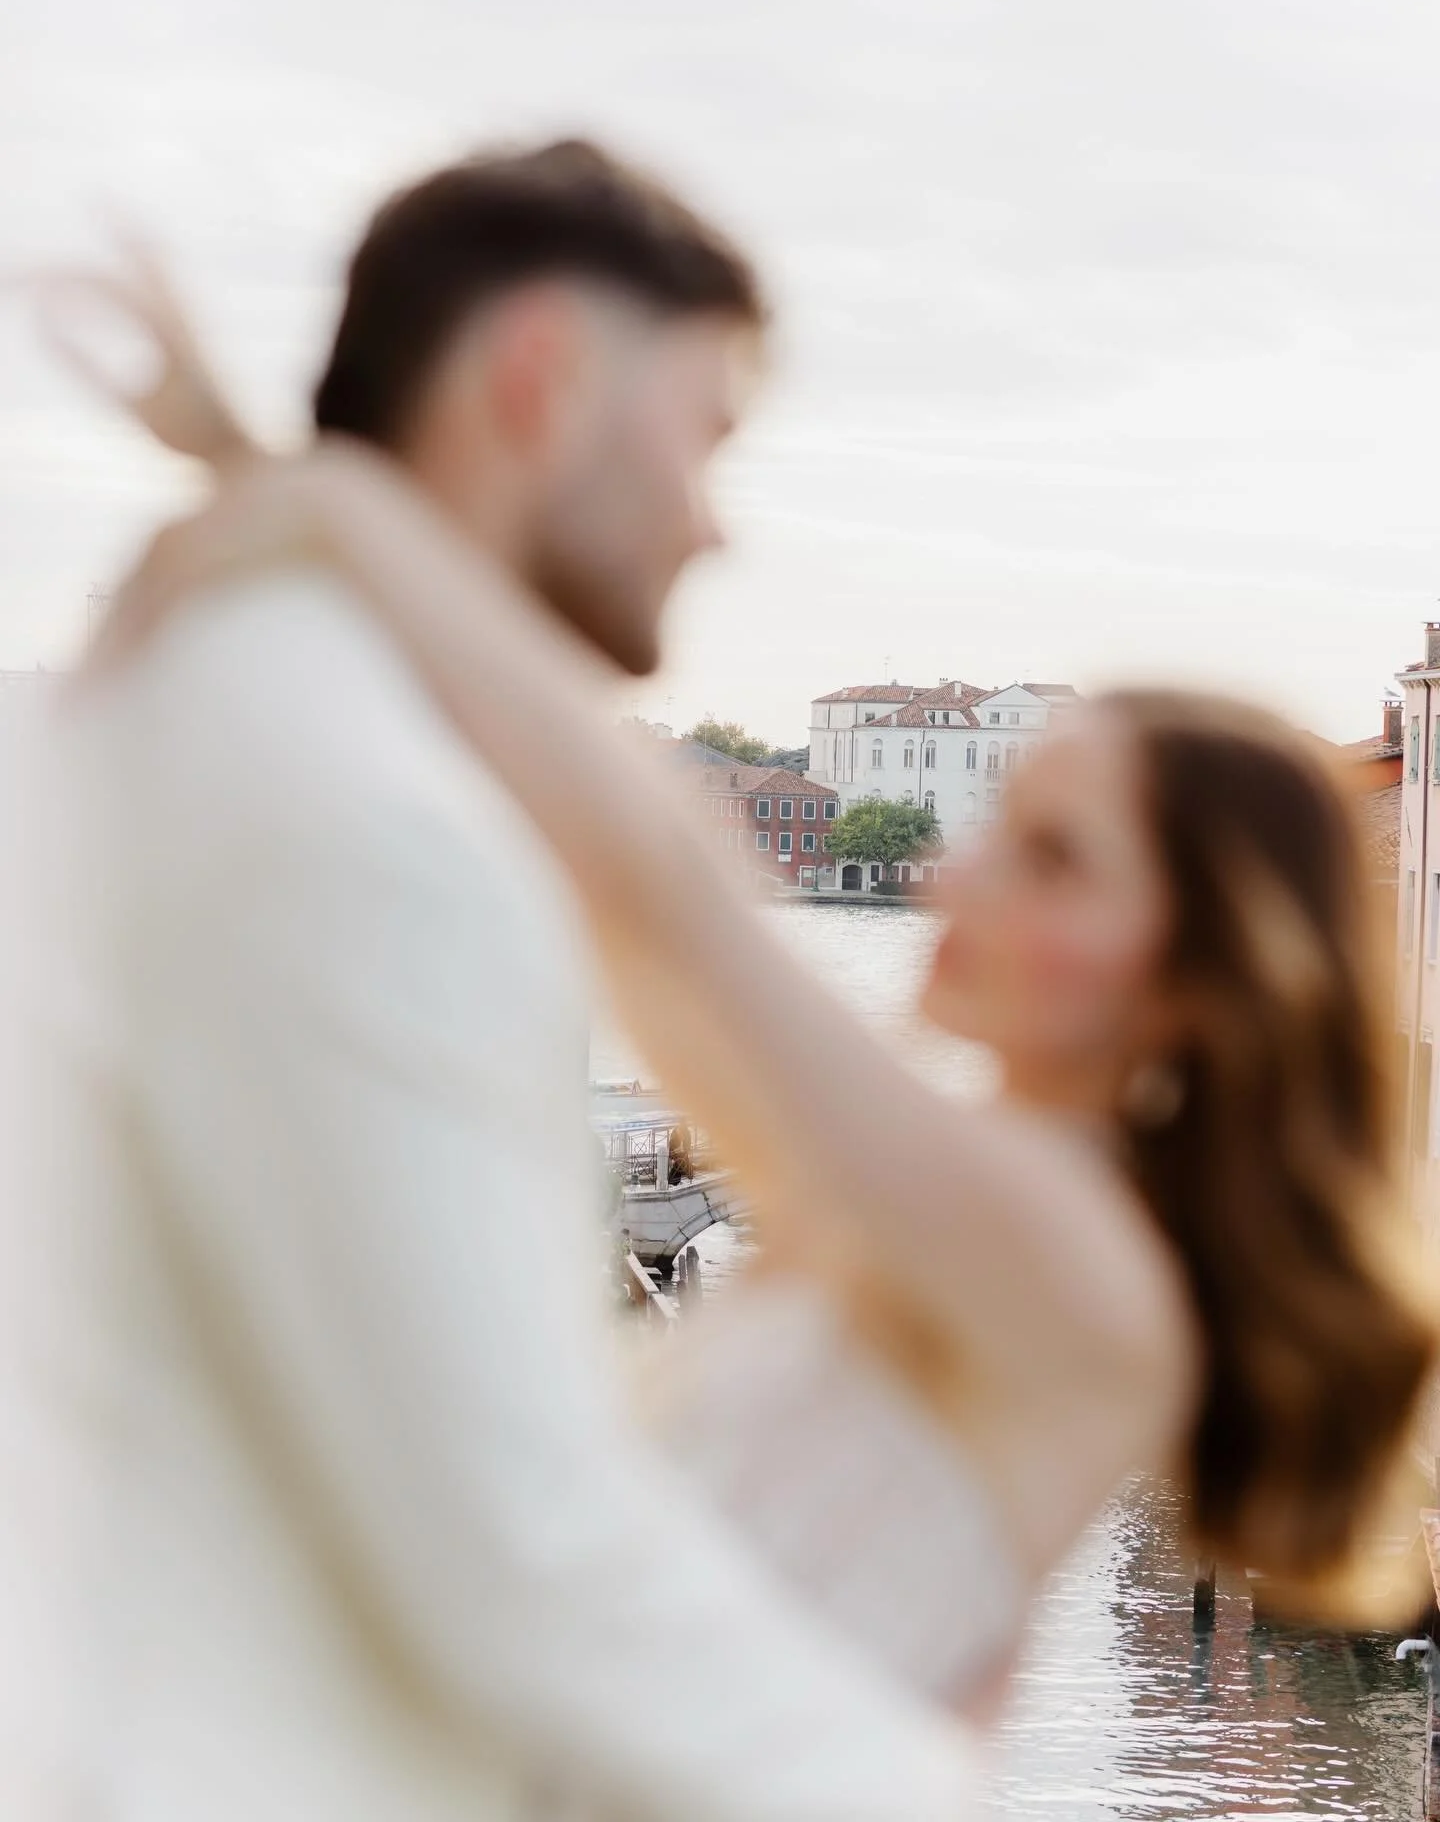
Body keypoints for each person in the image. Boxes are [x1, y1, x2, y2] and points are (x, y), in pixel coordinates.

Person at [71, 299, 1440, 1710]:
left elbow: (661, 879)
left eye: (1053, 858)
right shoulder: (951, 1207)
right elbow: (634, 913)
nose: (954, 884)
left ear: (1206, 978)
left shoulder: (1070, 1254)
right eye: (1003, 830)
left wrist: (323, 505)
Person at [11, 144, 988, 1820]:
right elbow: (529, 1565)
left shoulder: (182, 716)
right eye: (706, 434)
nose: (714, 519)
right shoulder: (375, 821)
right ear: (539, 375)